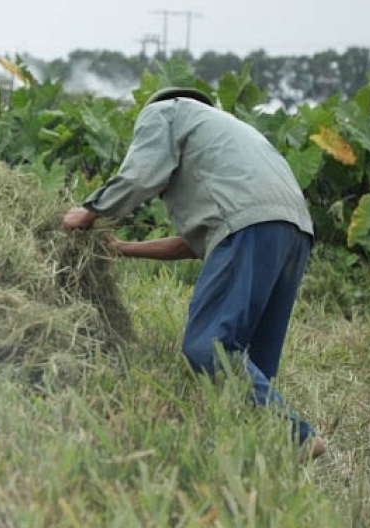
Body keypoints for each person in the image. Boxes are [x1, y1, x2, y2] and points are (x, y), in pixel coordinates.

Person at [62, 86, 326, 457]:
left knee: (208, 347)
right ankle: (264, 456)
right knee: (252, 363)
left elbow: (139, 177)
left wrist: (88, 213)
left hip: (250, 228)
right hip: (294, 233)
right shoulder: (233, 138)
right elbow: (195, 243)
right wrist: (123, 249)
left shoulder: (165, 111)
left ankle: (297, 436)